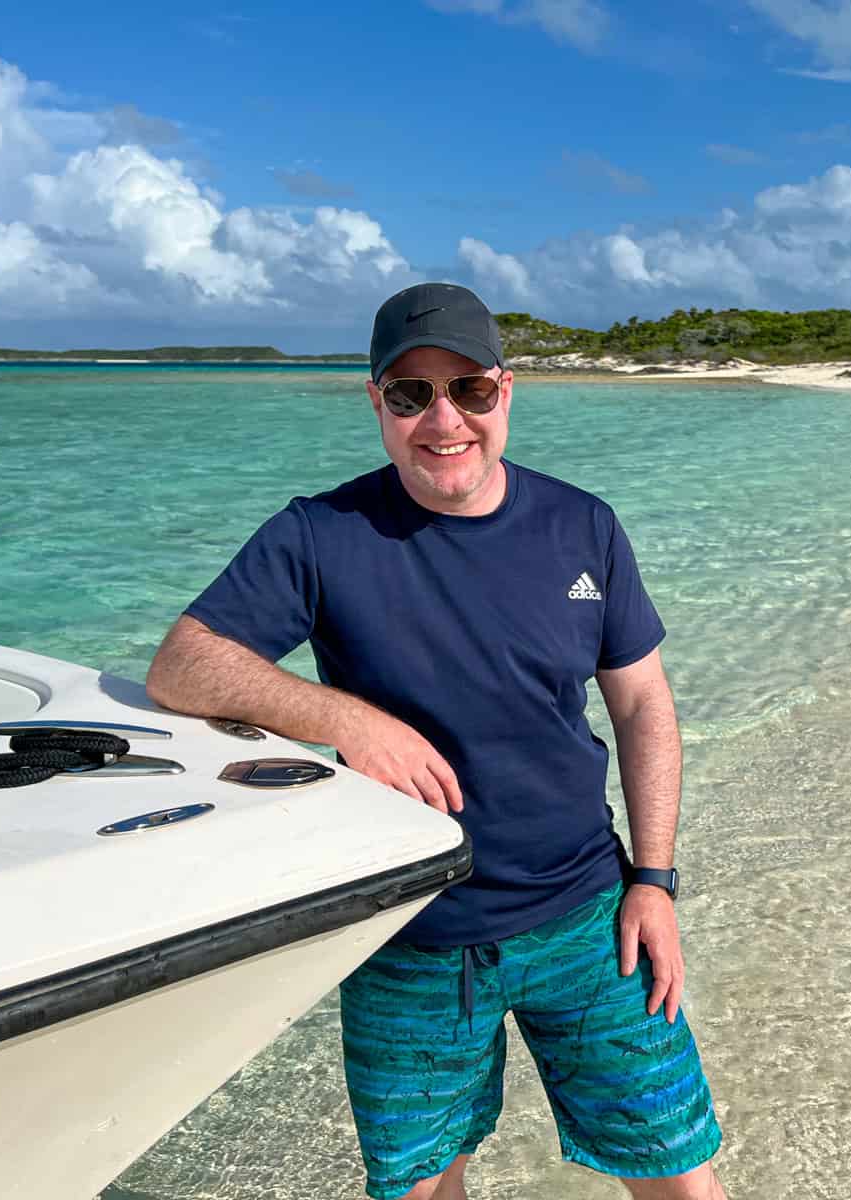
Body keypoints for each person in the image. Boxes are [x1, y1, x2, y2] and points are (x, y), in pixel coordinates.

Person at [145, 282, 726, 1200]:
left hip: (590, 915)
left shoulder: (584, 525)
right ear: (375, 402)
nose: (443, 418)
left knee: (679, 1173)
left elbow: (644, 706)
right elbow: (181, 665)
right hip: (410, 935)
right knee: (422, 1188)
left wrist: (654, 881)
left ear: (506, 390)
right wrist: (345, 720)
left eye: (469, 390)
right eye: (411, 395)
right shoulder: (320, 534)